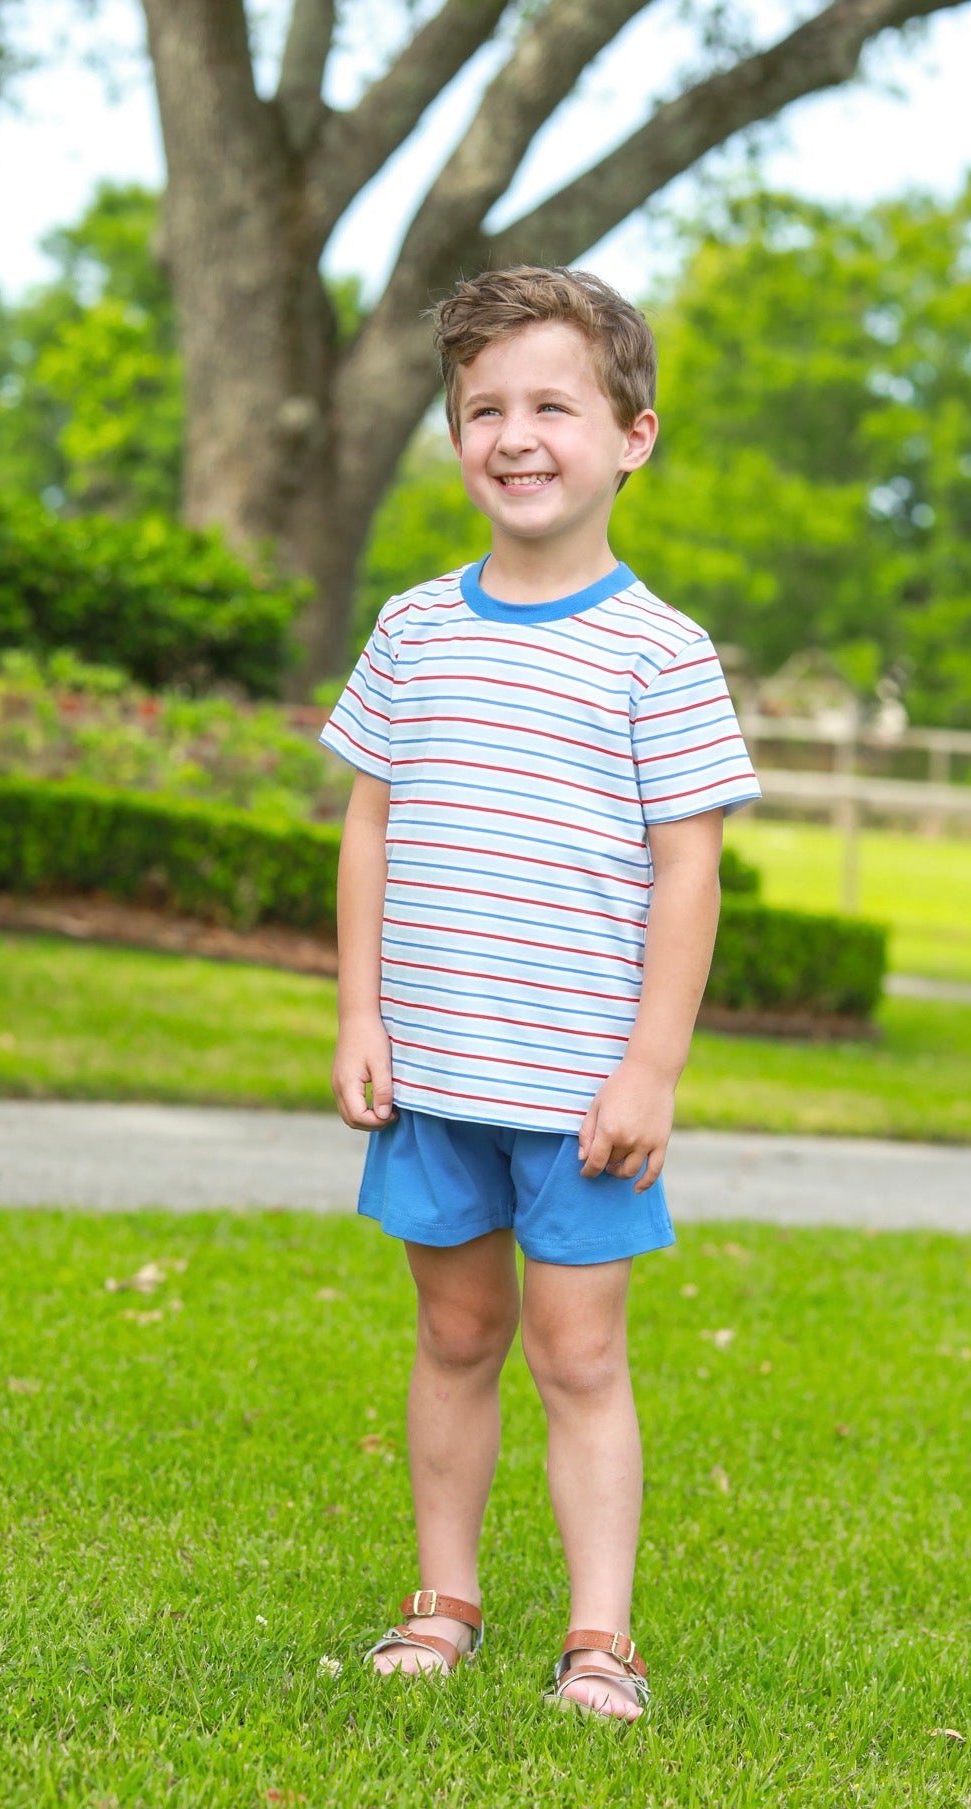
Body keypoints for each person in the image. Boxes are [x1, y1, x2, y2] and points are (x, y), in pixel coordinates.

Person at [319, 266, 761, 1722]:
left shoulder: (660, 651)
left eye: (553, 407)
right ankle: (443, 1599)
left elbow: (688, 874)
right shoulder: (413, 629)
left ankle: (599, 1637)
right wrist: (361, 1014)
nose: (515, 436)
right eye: (483, 409)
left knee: (580, 1355)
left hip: (584, 1093)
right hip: (436, 1076)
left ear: (633, 435)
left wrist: (652, 1068)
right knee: (454, 1336)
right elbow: (372, 826)